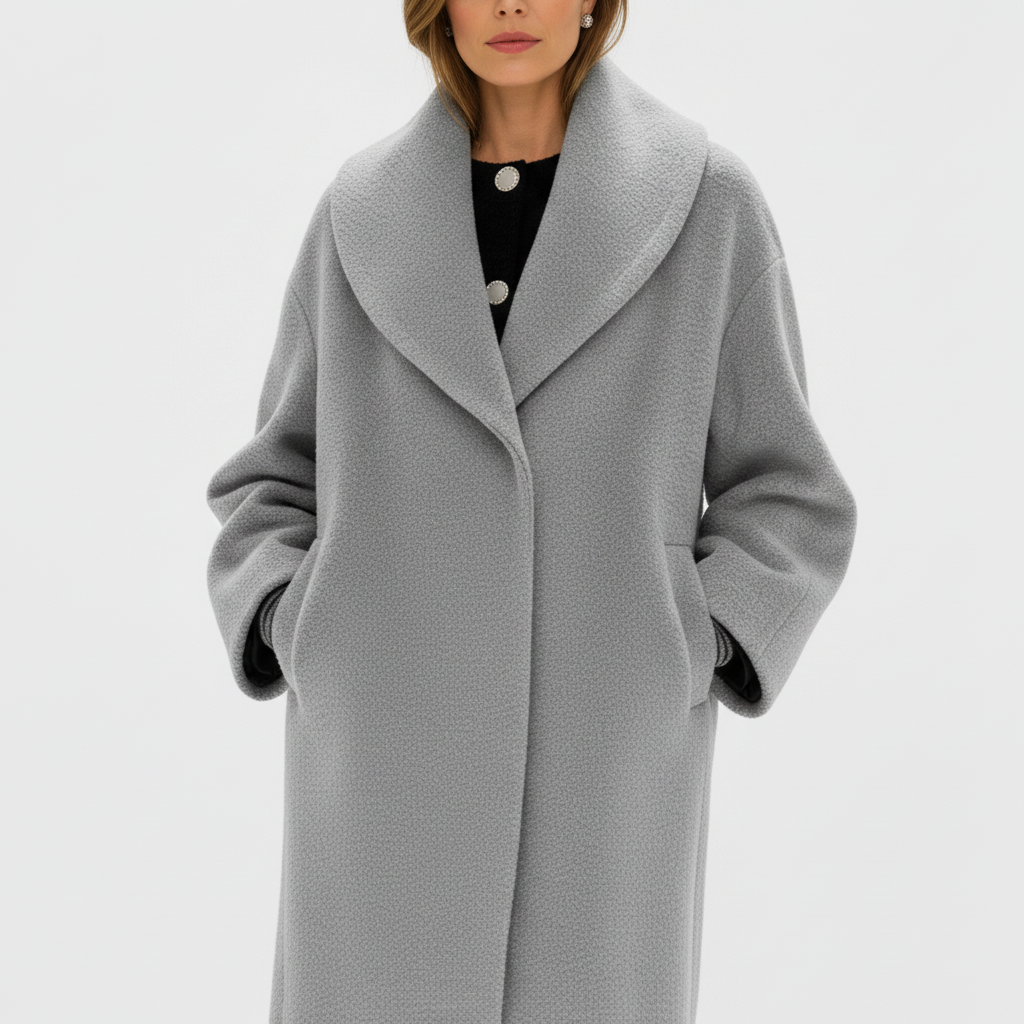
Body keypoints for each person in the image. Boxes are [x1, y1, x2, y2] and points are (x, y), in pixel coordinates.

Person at [205, 2, 857, 1022]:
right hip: (379, 773)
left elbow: (791, 496)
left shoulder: (707, 205)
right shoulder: (355, 216)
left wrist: (688, 642)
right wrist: (306, 624)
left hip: (602, 770)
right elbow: (268, 484)